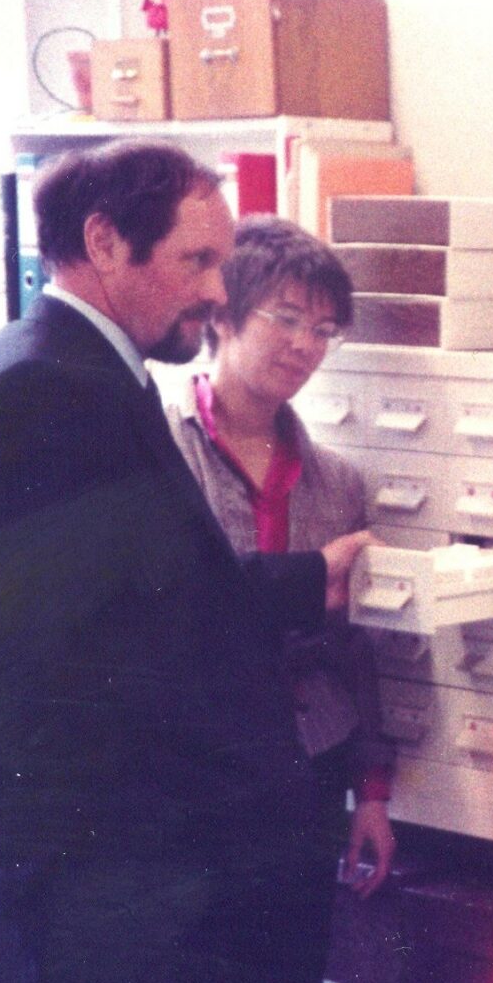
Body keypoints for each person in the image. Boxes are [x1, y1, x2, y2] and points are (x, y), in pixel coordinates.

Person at [0, 139, 371, 983]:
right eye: (196, 262)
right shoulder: (48, 391)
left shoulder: (56, 368)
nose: (218, 293)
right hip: (113, 867)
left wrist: (306, 581)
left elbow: (138, 597)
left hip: (119, 862)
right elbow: (59, 658)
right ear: (103, 242)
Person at [165, 215, 396, 895]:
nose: (304, 345)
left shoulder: (337, 481)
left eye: (324, 330)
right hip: (196, 769)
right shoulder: (164, 455)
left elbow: (355, 648)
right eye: (286, 318)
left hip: (310, 762)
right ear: (225, 314)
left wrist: (373, 793)